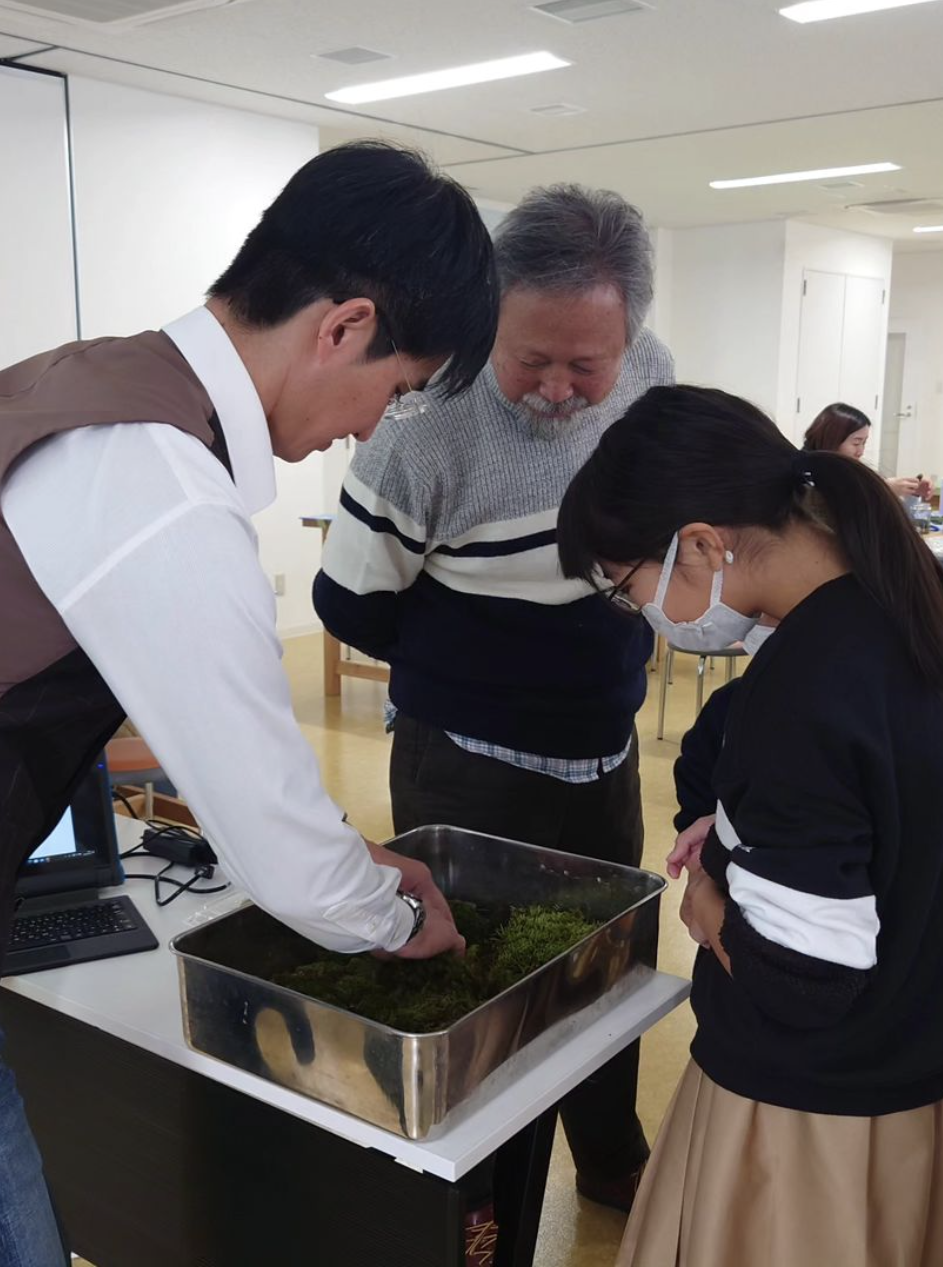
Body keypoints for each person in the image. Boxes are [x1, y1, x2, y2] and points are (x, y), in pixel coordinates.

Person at [0, 141, 498, 1267]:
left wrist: (336, 858)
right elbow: (281, 851)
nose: (367, 427)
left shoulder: (86, 383)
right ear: (344, 325)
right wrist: (394, 920)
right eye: (395, 393)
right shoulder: (154, 474)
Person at [313, 184, 675, 1220]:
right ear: (487, 318)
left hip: (601, 753)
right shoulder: (419, 430)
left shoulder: (648, 375)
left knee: (605, 973)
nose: (559, 388)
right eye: (531, 358)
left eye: (585, 363)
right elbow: (349, 603)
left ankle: (610, 1165)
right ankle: (476, 1208)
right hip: (465, 760)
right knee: (471, 988)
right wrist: (481, 663)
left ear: (629, 339)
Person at [559, 384, 943, 1267]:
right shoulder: (898, 605)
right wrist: (738, 830)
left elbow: (800, 982)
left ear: (701, 542)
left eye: (632, 589)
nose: (644, 616)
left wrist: (707, 904)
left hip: (811, 1115)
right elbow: (879, 826)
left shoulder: (806, 688)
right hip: (917, 1069)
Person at [803, 401, 930, 499]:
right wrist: (882, 490)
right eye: (856, 443)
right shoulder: (805, 473)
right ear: (832, 438)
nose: (861, 451)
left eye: (864, 443)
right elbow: (833, 508)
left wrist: (913, 489)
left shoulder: (846, 468)